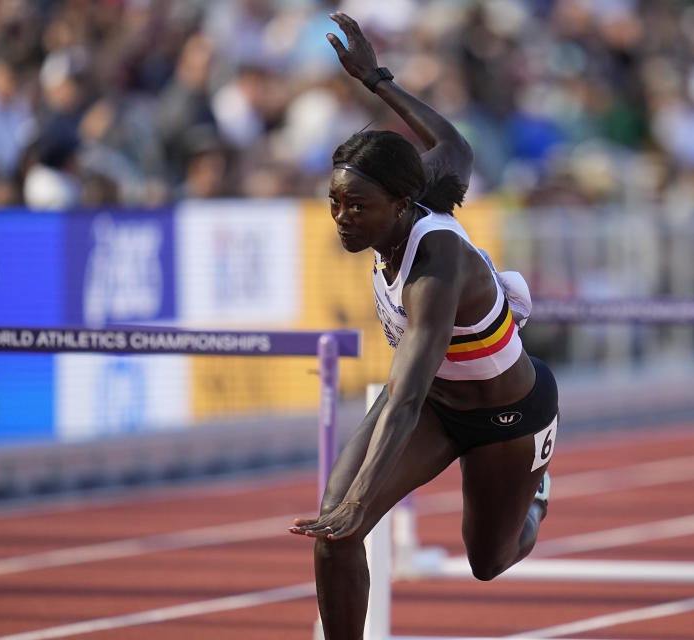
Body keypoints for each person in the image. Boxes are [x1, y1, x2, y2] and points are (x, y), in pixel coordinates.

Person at [289, 13, 559, 639]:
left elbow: (403, 397)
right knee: (336, 532)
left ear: (400, 205)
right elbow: (456, 146)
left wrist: (367, 498)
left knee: (488, 561)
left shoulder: (437, 265)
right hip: (439, 402)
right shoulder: (424, 193)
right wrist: (375, 79)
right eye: (334, 202)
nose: (342, 219)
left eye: (358, 207)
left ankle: (537, 494)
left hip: (504, 416)